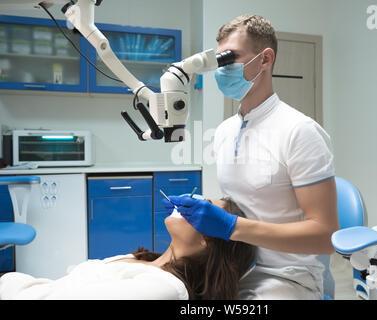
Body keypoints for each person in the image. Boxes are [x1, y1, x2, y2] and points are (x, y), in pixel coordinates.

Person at [166, 14, 339, 300]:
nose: (221, 70)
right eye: (219, 60)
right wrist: (198, 210)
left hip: (286, 277)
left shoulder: (300, 132)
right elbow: (243, 202)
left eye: (230, 58)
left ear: (265, 59)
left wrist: (232, 227)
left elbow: (325, 236)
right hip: (234, 268)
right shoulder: (224, 131)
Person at [0, 198, 255, 300]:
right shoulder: (145, 261)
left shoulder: (165, 289)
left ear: (206, 241)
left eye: (203, 206)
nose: (191, 200)